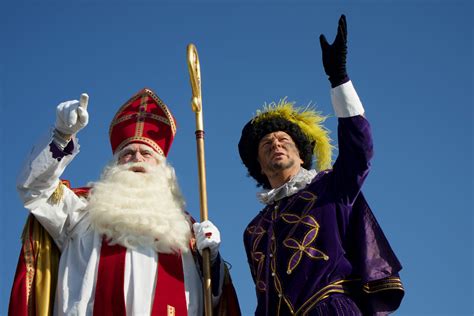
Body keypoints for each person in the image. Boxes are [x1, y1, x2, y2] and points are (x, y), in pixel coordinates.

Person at [10, 88, 240, 315]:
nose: (136, 159)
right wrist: (61, 135)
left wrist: (213, 259)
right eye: (127, 154)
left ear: (164, 170)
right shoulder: (81, 211)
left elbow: (215, 300)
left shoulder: (187, 230)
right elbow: (34, 187)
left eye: (146, 153)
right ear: (114, 167)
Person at [238, 15, 404, 315]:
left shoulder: (330, 188)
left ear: (303, 156)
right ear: (259, 167)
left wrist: (339, 78)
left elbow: (359, 149)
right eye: (266, 144)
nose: (275, 144)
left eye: (283, 139)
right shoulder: (254, 230)